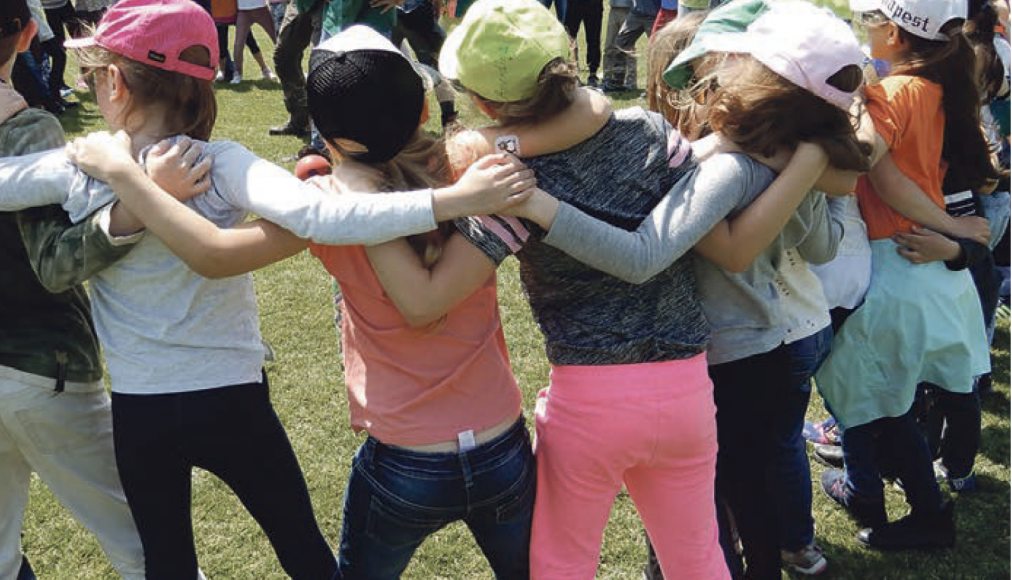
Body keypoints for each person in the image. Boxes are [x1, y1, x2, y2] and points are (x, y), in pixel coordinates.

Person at [0, 1, 534, 578]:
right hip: (233, 401)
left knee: (169, 565)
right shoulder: (217, 161)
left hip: (144, 410)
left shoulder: (86, 164)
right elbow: (319, 214)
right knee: (302, 549)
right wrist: (453, 200)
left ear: (114, 83)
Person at [437, 0, 868, 576]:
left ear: (483, 100)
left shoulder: (512, 185)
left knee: (565, 558)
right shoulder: (653, 134)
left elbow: (430, 298)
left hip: (593, 397)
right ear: (567, 62)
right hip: (688, 389)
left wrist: (521, 188)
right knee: (699, 553)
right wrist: (811, 159)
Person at [0, 2, 198, 577]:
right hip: (43, 369)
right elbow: (55, 265)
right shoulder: (28, 128)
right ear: (30, 32)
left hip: (30, 372)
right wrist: (137, 204)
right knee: (146, 543)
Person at [816, 0, 995, 550]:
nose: (863, 30)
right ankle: (881, 493)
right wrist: (954, 232)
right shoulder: (937, 86)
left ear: (893, 31)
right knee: (883, 399)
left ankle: (901, 502)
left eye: (868, 21)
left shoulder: (894, 93)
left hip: (897, 257)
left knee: (864, 395)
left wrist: (859, 103)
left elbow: (879, 168)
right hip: (926, 267)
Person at [233, 0, 277, 83]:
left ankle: (293, 70)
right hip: (243, 11)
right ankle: (237, 74)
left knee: (277, 40)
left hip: (262, 9)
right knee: (238, 44)